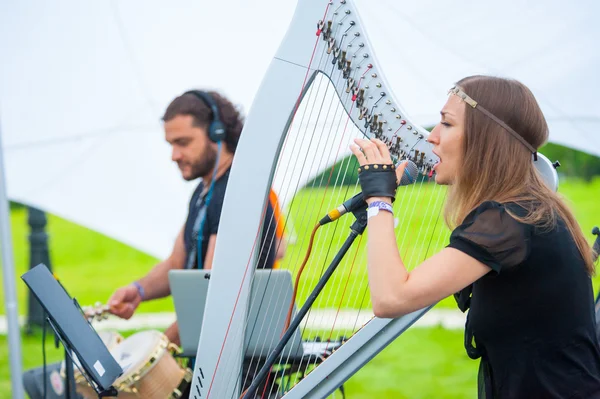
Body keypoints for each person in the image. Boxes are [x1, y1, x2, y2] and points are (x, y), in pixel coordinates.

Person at [349, 75, 600, 398]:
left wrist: (379, 199)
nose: (432, 138)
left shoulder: (510, 219)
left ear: (485, 140)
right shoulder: (525, 211)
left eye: (447, 125)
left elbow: (391, 298)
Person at [107, 90, 278, 346]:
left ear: (216, 134)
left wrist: (152, 353)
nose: (174, 155)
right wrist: (138, 291)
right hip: (207, 348)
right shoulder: (203, 191)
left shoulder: (237, 192)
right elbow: (178, 261)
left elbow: (211, 294)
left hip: (234, 364)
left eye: (183, 142)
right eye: (171, 145)